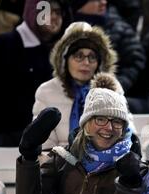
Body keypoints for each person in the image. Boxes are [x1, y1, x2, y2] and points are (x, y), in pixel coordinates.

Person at [16, 73, 141, 194]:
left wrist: (129, 185)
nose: (108, 128)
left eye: (116, 121)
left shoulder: (133, 168)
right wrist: (29, 157)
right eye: (100, 119)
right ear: (86, 123)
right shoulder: (64, 158)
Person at [0, 0, 71, 146]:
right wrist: (8, 118)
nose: (54, 17)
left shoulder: (62, 51)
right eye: (47, 12)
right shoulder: (4, 44)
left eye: (58, 13)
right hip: (8, 138)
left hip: (52, 140)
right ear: (32, 12)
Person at [33, 21, 118, 150]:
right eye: (78, 56)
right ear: (65, 59)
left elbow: (126, 135)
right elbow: (43, 145)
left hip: (106, 165)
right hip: (59, 165)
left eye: (92, 57)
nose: (86, 62)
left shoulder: (112, 88)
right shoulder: (47, 91)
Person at [71, 0, 146, 95]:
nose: (103, 2)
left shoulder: (118, 28)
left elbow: (134, 62)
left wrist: (113, 87)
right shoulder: (61, 27)